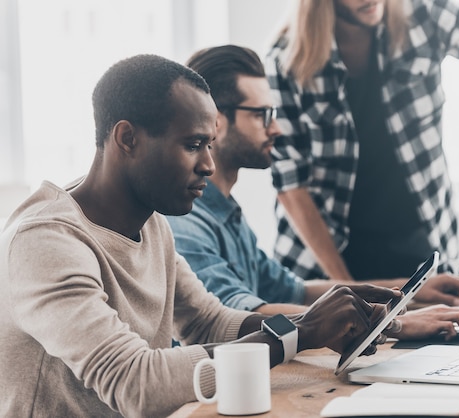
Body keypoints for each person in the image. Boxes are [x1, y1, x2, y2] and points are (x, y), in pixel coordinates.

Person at [0, 54, 409, 418]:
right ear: (127, 139)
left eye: (210, 145)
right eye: (194, 145)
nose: (210, 165)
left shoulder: (151, 221)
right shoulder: (46, 242)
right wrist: (299, 333)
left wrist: (313, 323)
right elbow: (136, 383)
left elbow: (208, 321)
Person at [166, 44, 459, 342]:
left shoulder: (226, 213)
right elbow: (240, 317)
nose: (276, 129)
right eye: (262, 115)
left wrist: (407, 291)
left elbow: (296, 291)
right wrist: (390, 323)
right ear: (216, 121)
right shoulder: (188, 223)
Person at [264, 0, 459, 282]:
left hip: (416, 247)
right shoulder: (286, 61)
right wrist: (348, 288)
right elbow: (292, 187)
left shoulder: (424, 14)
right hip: (327, 262)